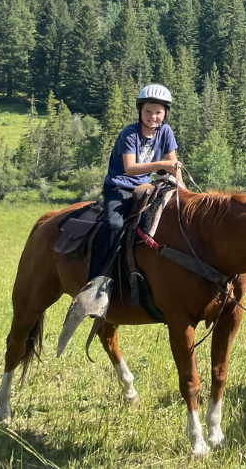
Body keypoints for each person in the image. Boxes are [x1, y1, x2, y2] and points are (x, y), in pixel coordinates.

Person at [58, 84, 182, 353]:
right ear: (140, 111)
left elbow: (173, 165)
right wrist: (161, 166)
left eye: (158, 112)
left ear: (165, 114)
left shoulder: (166, 132)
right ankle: (93, 284)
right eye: (148, 111)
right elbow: (130, 167)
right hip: (119, 186)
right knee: (114, 224)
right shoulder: (129, 133)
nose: (153, 116)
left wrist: (181, 192)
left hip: (148, 186)